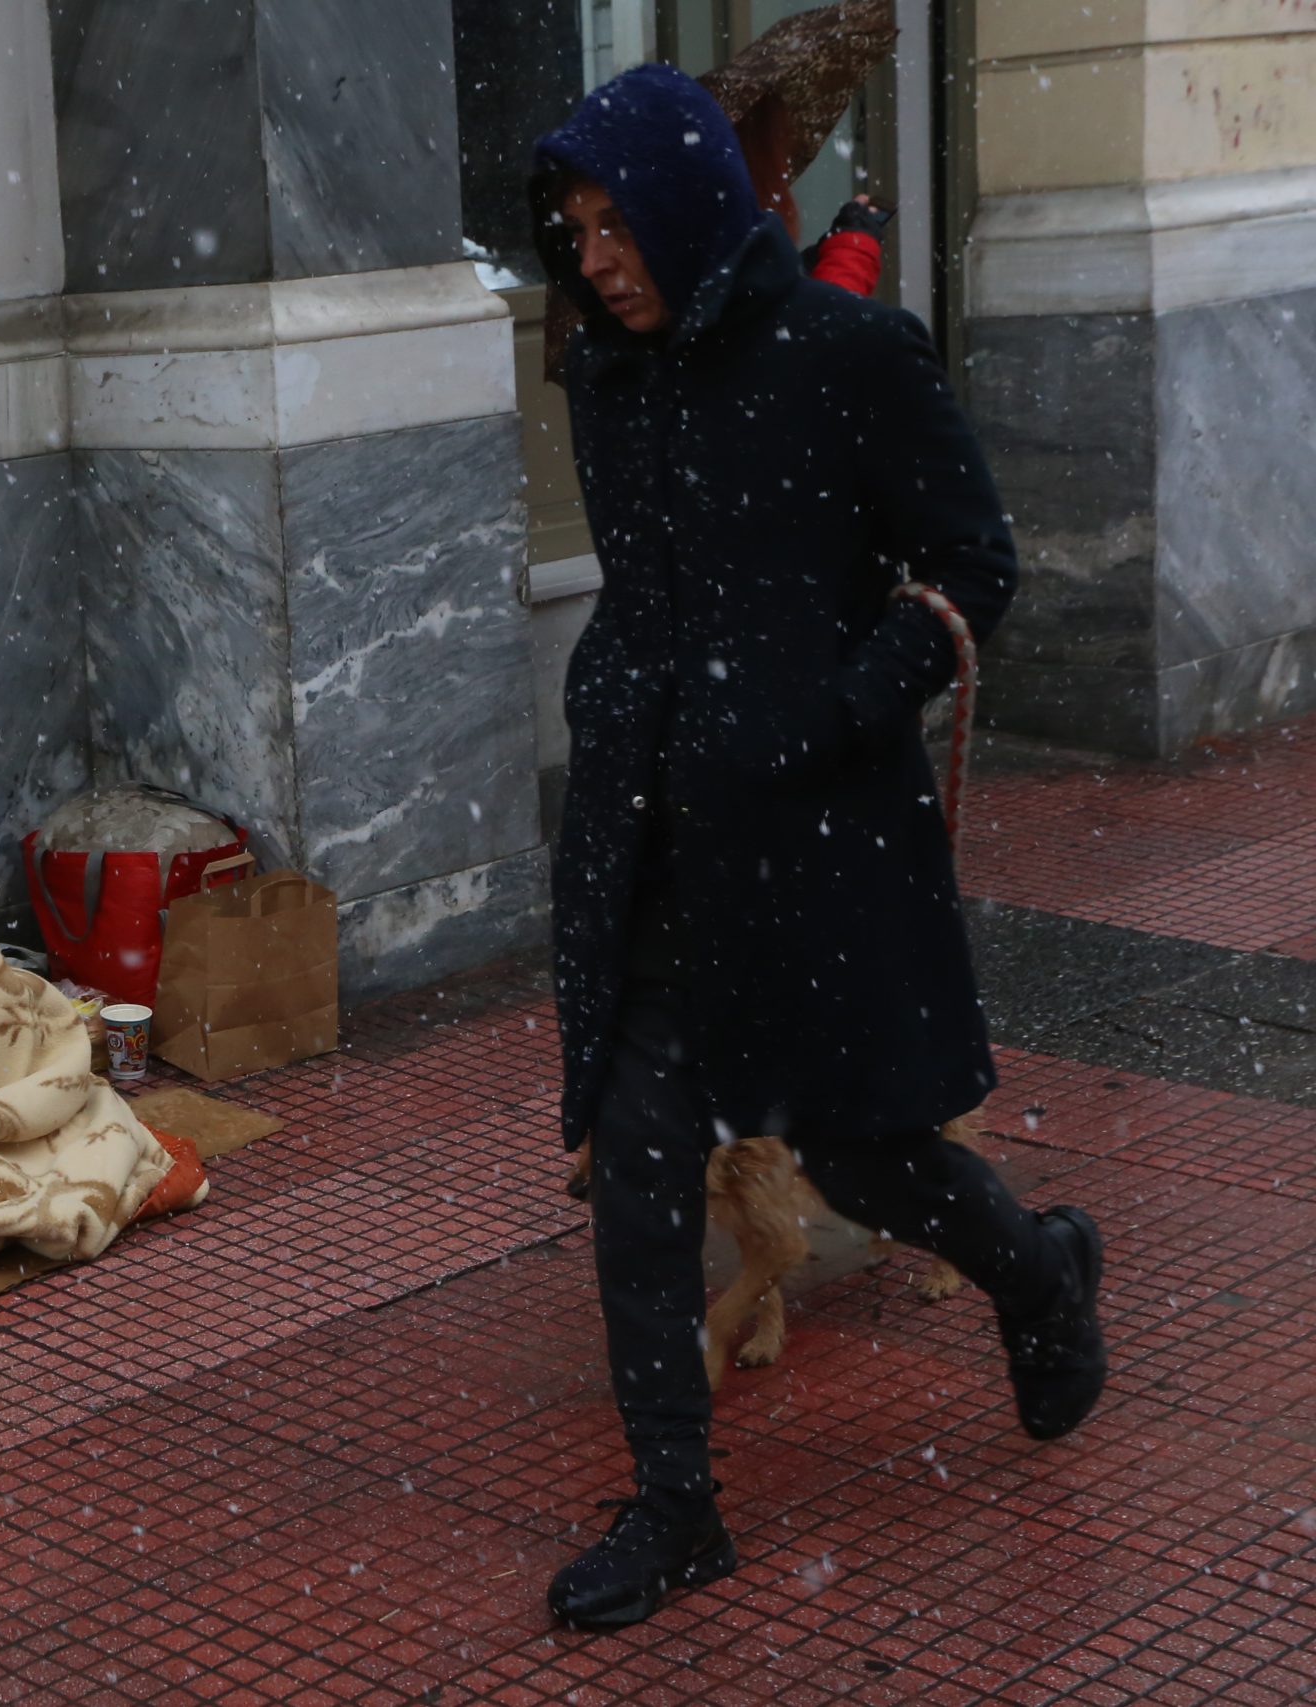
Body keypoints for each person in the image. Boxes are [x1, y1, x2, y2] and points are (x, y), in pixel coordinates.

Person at [525, 64, 1107, 1631]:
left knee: (862, 1155)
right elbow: (650, 598)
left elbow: (971, 562)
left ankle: (1041, 1271)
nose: (593, 258)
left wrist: (839, 708)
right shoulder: (608, 381)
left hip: (814, 847)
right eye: (575, 230)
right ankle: (677, 1508)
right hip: (650, 840)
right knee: (640, 1169)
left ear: (689, 202)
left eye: (613, 223)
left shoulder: (851, 357)